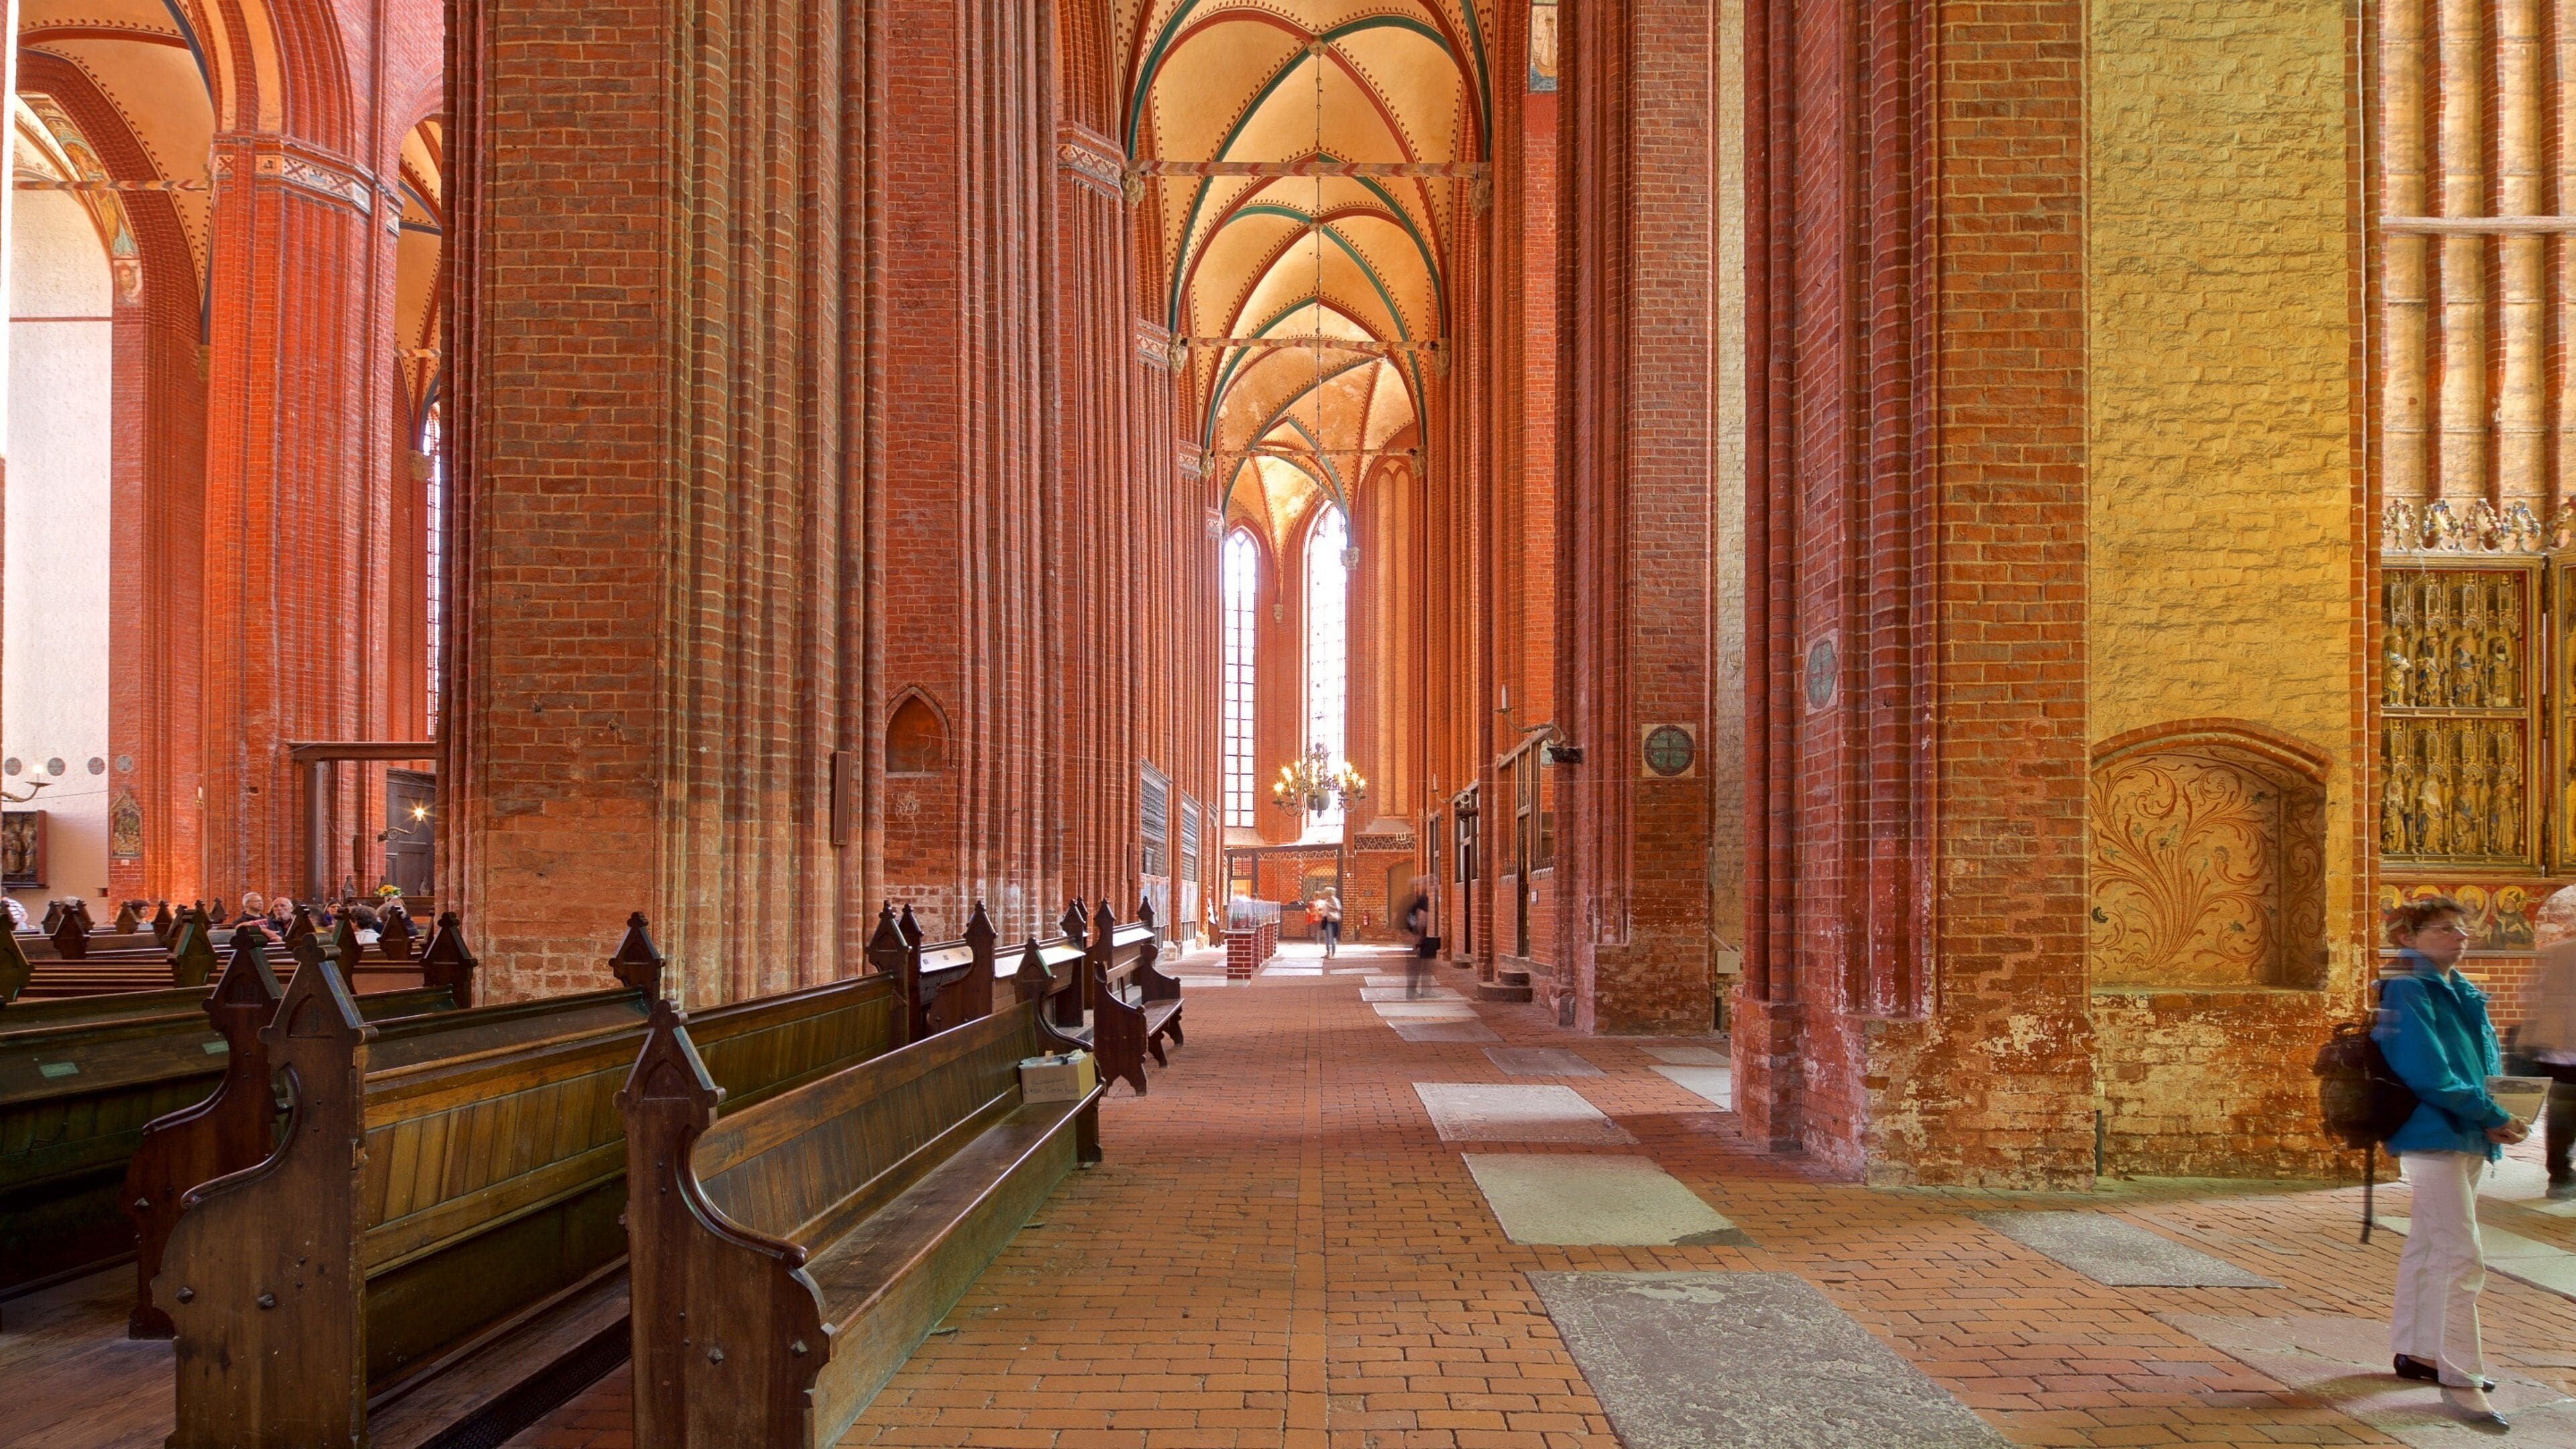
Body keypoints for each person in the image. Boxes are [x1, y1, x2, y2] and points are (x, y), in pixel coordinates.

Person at [2376, 895, 2524, 1430]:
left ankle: (2417, 1351)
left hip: (2465, 1131)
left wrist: (2502, 1112)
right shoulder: (2408, 989)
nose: (2458, 937)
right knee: (2462, 1254)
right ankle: (2462, 1378)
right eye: (2442, 929)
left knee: (2430, 1244)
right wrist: (2490, 1113)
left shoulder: (2459, 989)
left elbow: (2481, 1063)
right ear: (2407, 938)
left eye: (2461, 930)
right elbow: (2428, 1072)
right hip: (2434, 1130)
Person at [2516, 889, 2576, 1199]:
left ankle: (2560, 1174)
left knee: (2563, 1105)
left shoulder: (2556, 952)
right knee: (2566, 1106)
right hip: (2566, 1045)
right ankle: (2562, 1174)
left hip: (2555, 1046)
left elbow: (2527, 995)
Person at [1402, 876, 1434, 998]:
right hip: (1422, 938)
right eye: (1433, 882)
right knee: (1423, 967)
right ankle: (1420, 992)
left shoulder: (1418, 900)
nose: (1436, 885)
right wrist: (1419, 936)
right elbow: (1422, 918)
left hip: (1417, 937)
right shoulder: (1424, 900)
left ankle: (1417, 992)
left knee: (1420, 967)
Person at [1318, 890, 1342, 959]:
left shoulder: (1334, 900)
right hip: (1326, 919)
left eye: (1326, 892)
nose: (1325, 893)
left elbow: (1339, 908)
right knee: (1327, 938)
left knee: (1332, 937)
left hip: (1332, 920)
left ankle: (1333, 954)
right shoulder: (1326, 900)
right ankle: (1328, 953)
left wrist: (1330, 905)